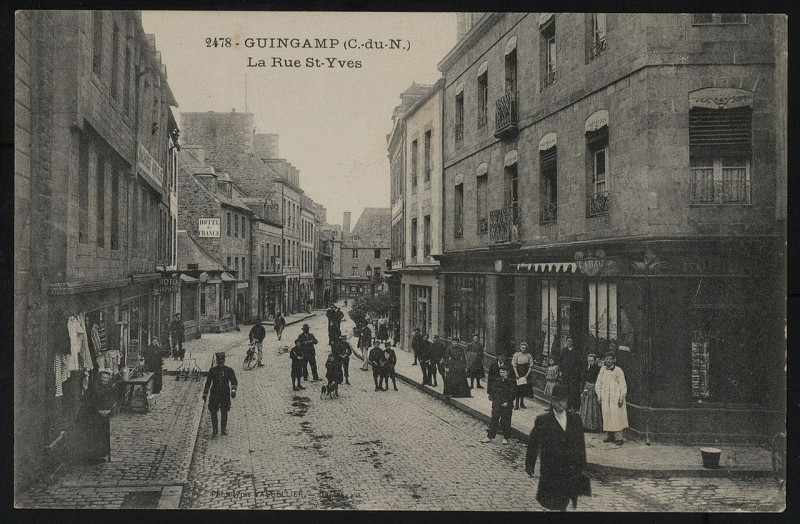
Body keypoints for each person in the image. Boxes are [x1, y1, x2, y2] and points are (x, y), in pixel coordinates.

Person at [525, 384, 589, 511]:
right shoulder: (543, 421)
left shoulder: (575, 420)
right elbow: (533, 443)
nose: (560, 404)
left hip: (569, 469)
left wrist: (582, 466)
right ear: (552, 401)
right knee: (553, 502)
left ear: (567, 401)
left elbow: (580, 445)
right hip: (550, 469)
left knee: (564, 501)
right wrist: (529, 464)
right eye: (557, 401)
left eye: (563, 401)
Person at [80, 368, 119, 463]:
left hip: (104, 416)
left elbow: (113, 401)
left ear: (109, 379)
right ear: (99, 378)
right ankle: (93, 456)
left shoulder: (110, 388)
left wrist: (109, 411)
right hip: (92, 415)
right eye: (102, 378)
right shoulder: (93, 388)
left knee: (103, 435)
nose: (104, 380)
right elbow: (88, 402)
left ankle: (101, 454)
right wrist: (98, 411)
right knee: (94, 434)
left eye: (106, 378)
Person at [595, 351, 628, 445]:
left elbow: (623, 385)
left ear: (614, 360)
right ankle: (609, 435)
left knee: (616, 416)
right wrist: (599, 395)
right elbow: (598, 383)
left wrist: (621, 397)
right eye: (607, 359)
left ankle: (618, 437)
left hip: (615, 397)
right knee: (606, 415)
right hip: (605, 397)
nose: (608, 360)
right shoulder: (602, 370)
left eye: (610, 358)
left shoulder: (618, 371)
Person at [202, 352, 238, 437]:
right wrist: (205, 393)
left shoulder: (229, 370)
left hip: (225, 394)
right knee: (213, 411)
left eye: (222, 360)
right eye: (219, 360)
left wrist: (233, 390)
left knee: (224, 411)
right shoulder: (212, 370)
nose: (221, 362)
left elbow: (234, 381)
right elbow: (208, 383)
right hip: (215, 394)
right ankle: (215, 429)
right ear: (217, 361)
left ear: (224, 360)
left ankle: (223, 428)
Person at [481, 366, 516, 444]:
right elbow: (493, 390)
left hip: (507, 404)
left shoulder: (511, 382)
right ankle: (489, 437)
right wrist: (491, 396)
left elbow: (513, 394)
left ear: (508, 373)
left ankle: (506, 438)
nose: (502, 374)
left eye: (504, 372)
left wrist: (507, 402)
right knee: (494, 419)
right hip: (497, 403)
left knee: (506, 420)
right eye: (501, 372)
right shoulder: (498, 381)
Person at [558, 336, 584, 411]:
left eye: (571, 341)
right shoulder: (564, 350)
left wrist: (576, 372)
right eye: (568, 341)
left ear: (573, 342)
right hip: (565, 374)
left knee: (574, 391)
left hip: (574, 375)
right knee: (566, 390)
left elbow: (580, 364)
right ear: (566, 342)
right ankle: (567, 406)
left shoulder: (576, 351)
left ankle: (575, 407)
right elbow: (560, 361)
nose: (569, 343)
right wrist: (560, 371)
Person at [579, 354, 603, 432]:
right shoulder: (587, 369)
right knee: (585, 406)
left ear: (596, 361)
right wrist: (583, 389)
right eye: (589, 361)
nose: (590, 362)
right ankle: (585, 424)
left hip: (594, 388)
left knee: (593, 407)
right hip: (587, 387)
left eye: (592, 361)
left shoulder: (598, 369)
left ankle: (594, 426)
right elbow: (584, 379)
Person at [512, 342, 534, 409]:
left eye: (525, 348)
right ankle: (516, 404)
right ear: (520, 348)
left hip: (525, 372)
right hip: (518, 372)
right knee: (517, 388)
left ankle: (522, 403)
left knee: (523, 388)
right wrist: (516, 374)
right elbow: (514, 365)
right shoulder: (516, 355)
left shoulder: (528, 355)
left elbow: (531, 366)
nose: (523, 349)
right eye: (522, 347)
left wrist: (527, 375)